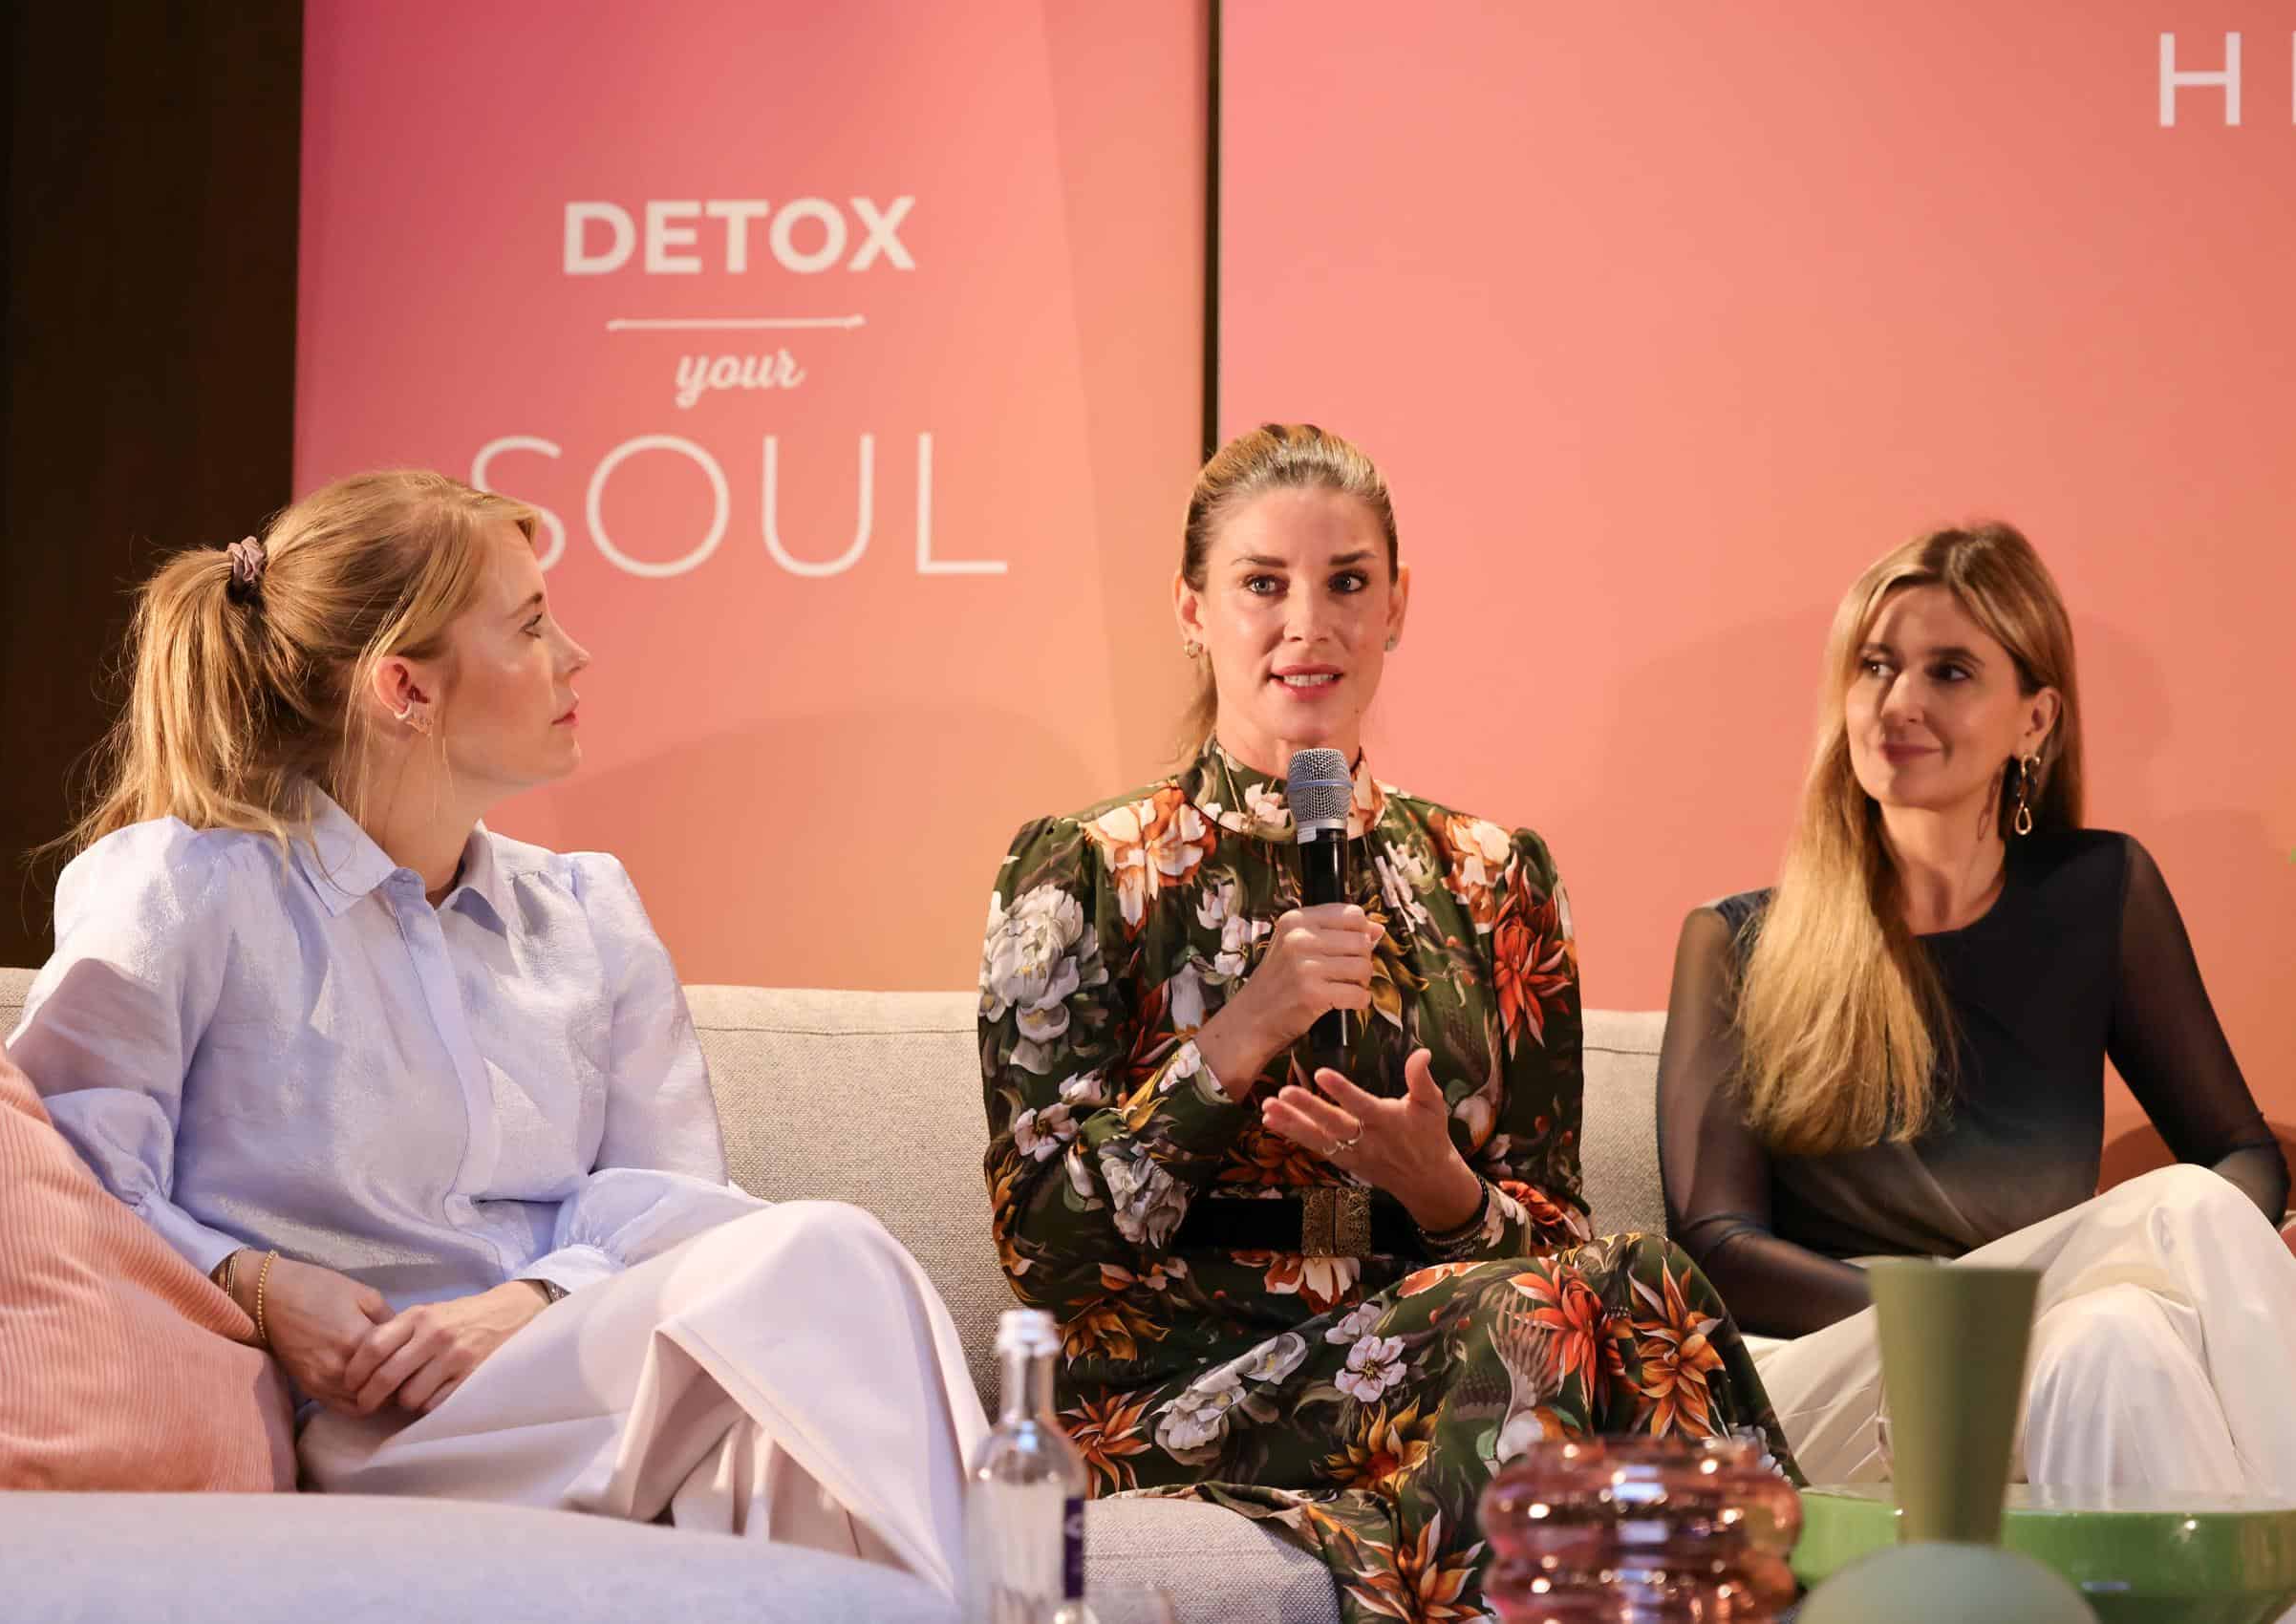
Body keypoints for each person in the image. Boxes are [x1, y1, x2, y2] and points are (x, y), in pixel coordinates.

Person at [11, 470, 983, 1591]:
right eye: (529, 625)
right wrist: (257, 1282)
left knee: (772, 1441)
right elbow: (59, 1169)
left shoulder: (585, 909)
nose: (575, 654)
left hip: (577, 1379)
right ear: (405, 688)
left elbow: (675, 1202)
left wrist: (532, 1301)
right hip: (381, 1422)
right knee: (828, 1256)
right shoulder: (186, 887)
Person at [979, 424, 1797, 1620]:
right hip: (1178, 1386)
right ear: (1191, 610)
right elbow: (1039, 1242)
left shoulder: (1491, 876)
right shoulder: (1086, 870)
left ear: (1395, 606)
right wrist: (1235, 1036)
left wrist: (1442, 1191)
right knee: (1533, 1312)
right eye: (1262, 583)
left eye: (1346, 582)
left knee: (1639, 1275)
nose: (1307, 623)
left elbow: (1554, 1228)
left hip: (1458, 1357)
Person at [1657, 520, 2296, 1493]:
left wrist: (2100, 1286)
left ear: (2033, 721)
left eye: (1948, 671)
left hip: (2033, 1350)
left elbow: (2238, 1149)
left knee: (2112, 1340)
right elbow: (1717, 1249)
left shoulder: (2098, 892)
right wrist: (1953, 1310)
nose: (1898, 702)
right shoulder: (1737, 938)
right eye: (1875, 666)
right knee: (2176, 1214)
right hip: (1819, 1383)